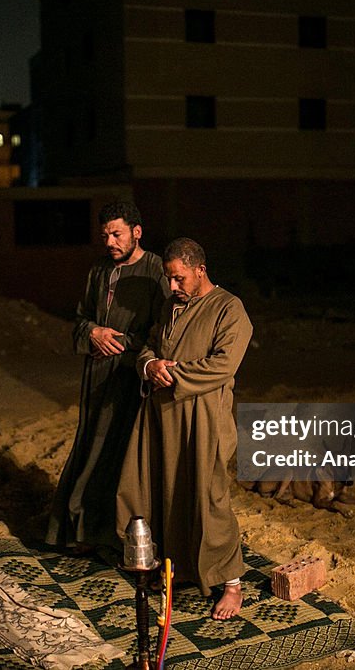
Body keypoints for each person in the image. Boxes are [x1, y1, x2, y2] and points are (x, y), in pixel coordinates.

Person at [116, 237, 254, 620]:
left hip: (204, 417)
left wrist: (172, 372)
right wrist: (149, 365)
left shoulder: (230, 309)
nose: (173, 287)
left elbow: (223, 365)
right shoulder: (169, 305)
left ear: (200, 271)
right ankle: (179, 568)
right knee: (164, 490)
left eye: (179, 279)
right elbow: (148, 344)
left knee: (208, 496)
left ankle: (231, 583)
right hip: (162, 413)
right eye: (169, 279)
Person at [46, 201, 170, 552]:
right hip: (97, 372)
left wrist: (121, 343)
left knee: (121, 454)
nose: (110, 242)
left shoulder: (156, 271)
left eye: (117, 234)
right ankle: (79, 529)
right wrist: (93, 333)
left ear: (137, 232)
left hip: (132, 376)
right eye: (105, 236)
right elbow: (81, 318)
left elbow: (162, 330)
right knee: (90, 445)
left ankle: (115, 535)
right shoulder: (99, 270)